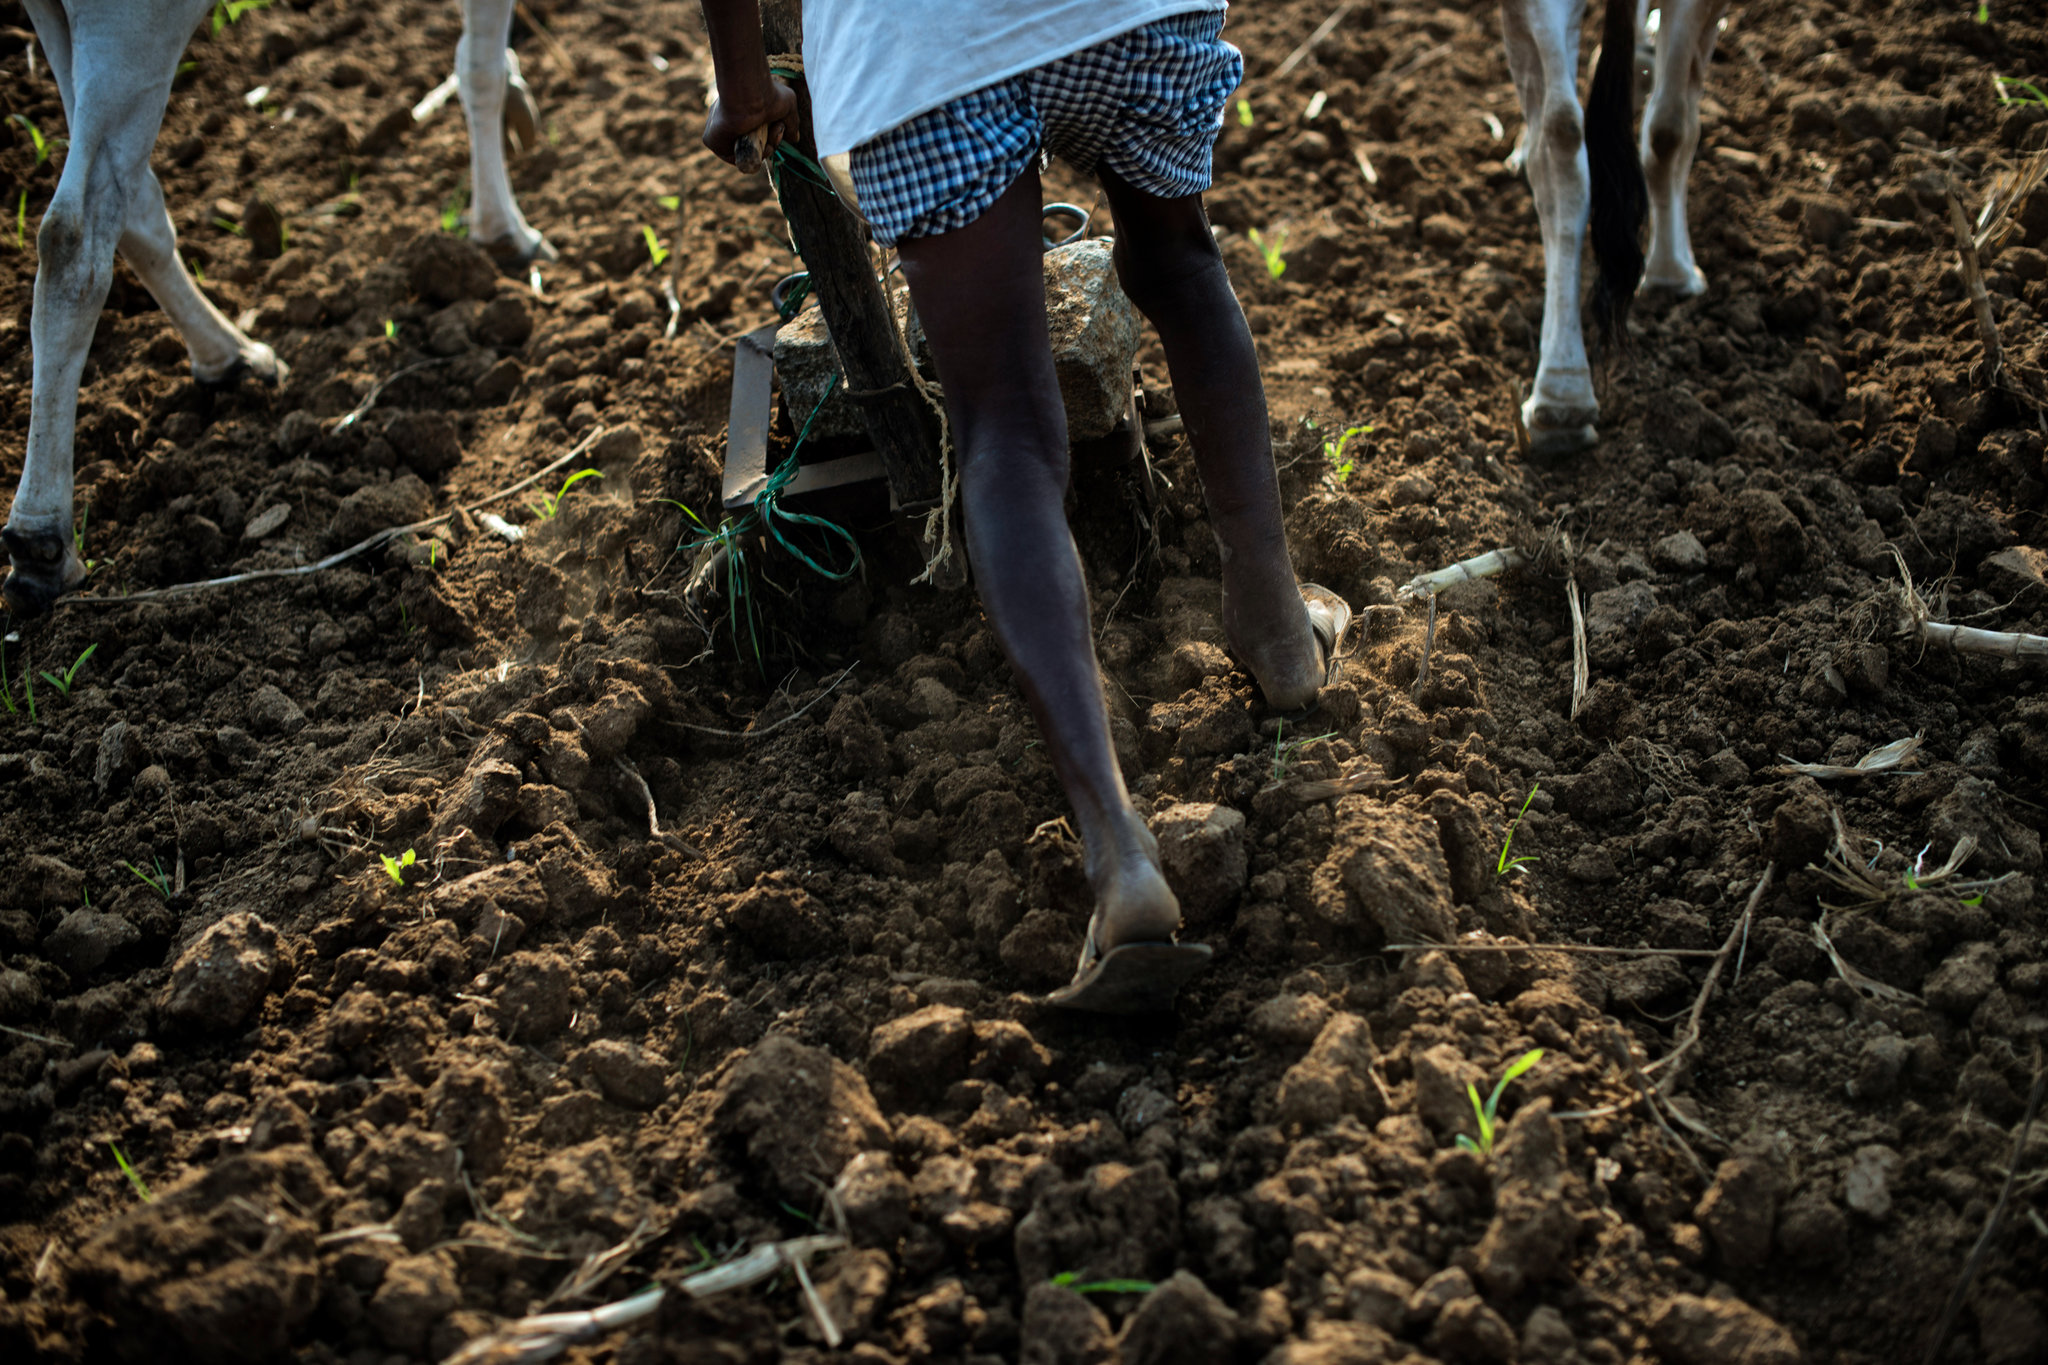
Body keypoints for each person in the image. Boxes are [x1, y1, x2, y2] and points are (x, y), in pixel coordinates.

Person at [699, 0, 1350, 1012]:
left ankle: (1118, 853)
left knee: (1003, 421)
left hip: (920, 46)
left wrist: (745, 86)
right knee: (1179, 260)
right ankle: (1275, 629)